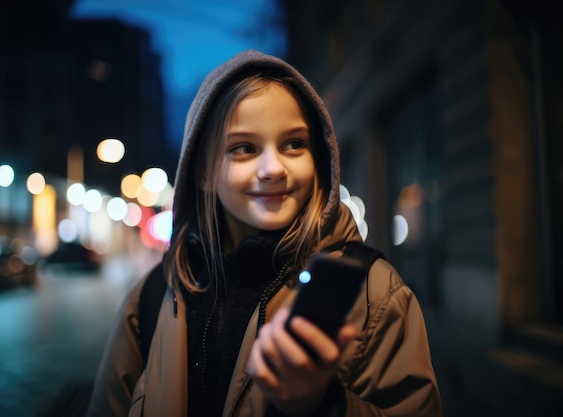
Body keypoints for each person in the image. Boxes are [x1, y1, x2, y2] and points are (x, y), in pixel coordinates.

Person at [88, 49, 443, 417]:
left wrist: (322, 406)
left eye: (294, 144)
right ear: (204, 172)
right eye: (244, 148)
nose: (273, 168)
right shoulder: (151, 297)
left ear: (320, 158)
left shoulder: (375, 293)